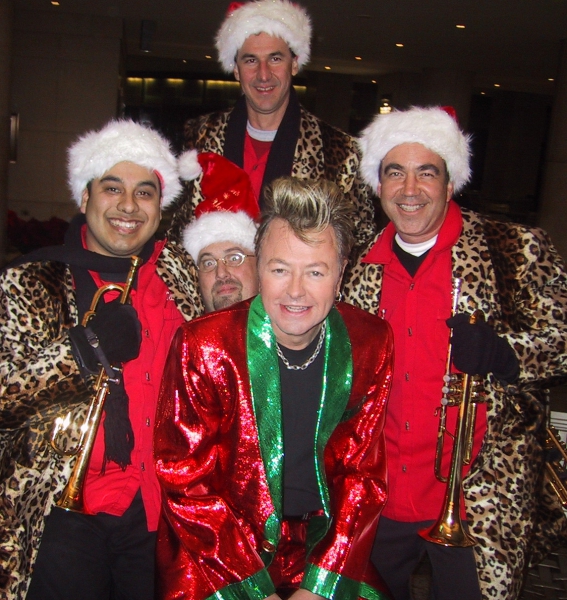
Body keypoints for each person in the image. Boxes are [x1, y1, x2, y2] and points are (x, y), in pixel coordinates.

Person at [343, 106, 567, 600]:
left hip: (479, 503)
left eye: (427, 172)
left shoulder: (514, 249)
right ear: (378, 185)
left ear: (449, 185)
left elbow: (562, 337)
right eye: (395, 172)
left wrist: (506, 354)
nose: (409, 189)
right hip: (377, 499)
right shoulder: (353, 265)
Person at [154, 177, 394, 600]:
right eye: (280, 269)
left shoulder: (370, 341)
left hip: (323, 544)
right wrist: (253, 590)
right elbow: (183, 478)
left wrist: (320, 585)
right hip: (221, 551)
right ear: (259, 268)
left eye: (315, 272)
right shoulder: (204, 345)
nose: (295, 291)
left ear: (341, 273)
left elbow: (361, 476)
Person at [0, 120, 204, 599]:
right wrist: (83, 351)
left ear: (160, 206)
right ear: (84, 196)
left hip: (156, 508)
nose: (129, 206)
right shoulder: (29, 279)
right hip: (61, 512)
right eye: (112, 188)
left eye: (144, 193)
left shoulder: (180, 271)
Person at [165, 0, 376, 257]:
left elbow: (359, 250)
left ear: (294, 63)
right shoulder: (199, 137)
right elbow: (177, 237)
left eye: (275, 58)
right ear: (235, 69)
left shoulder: (341, 152)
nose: (263, 74)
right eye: (250, 60)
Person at [182, 151, 259, 312]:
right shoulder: (183, 328)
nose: (221, 273)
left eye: (234, 258)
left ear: (260, 266)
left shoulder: (293, 326)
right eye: (208, 263)